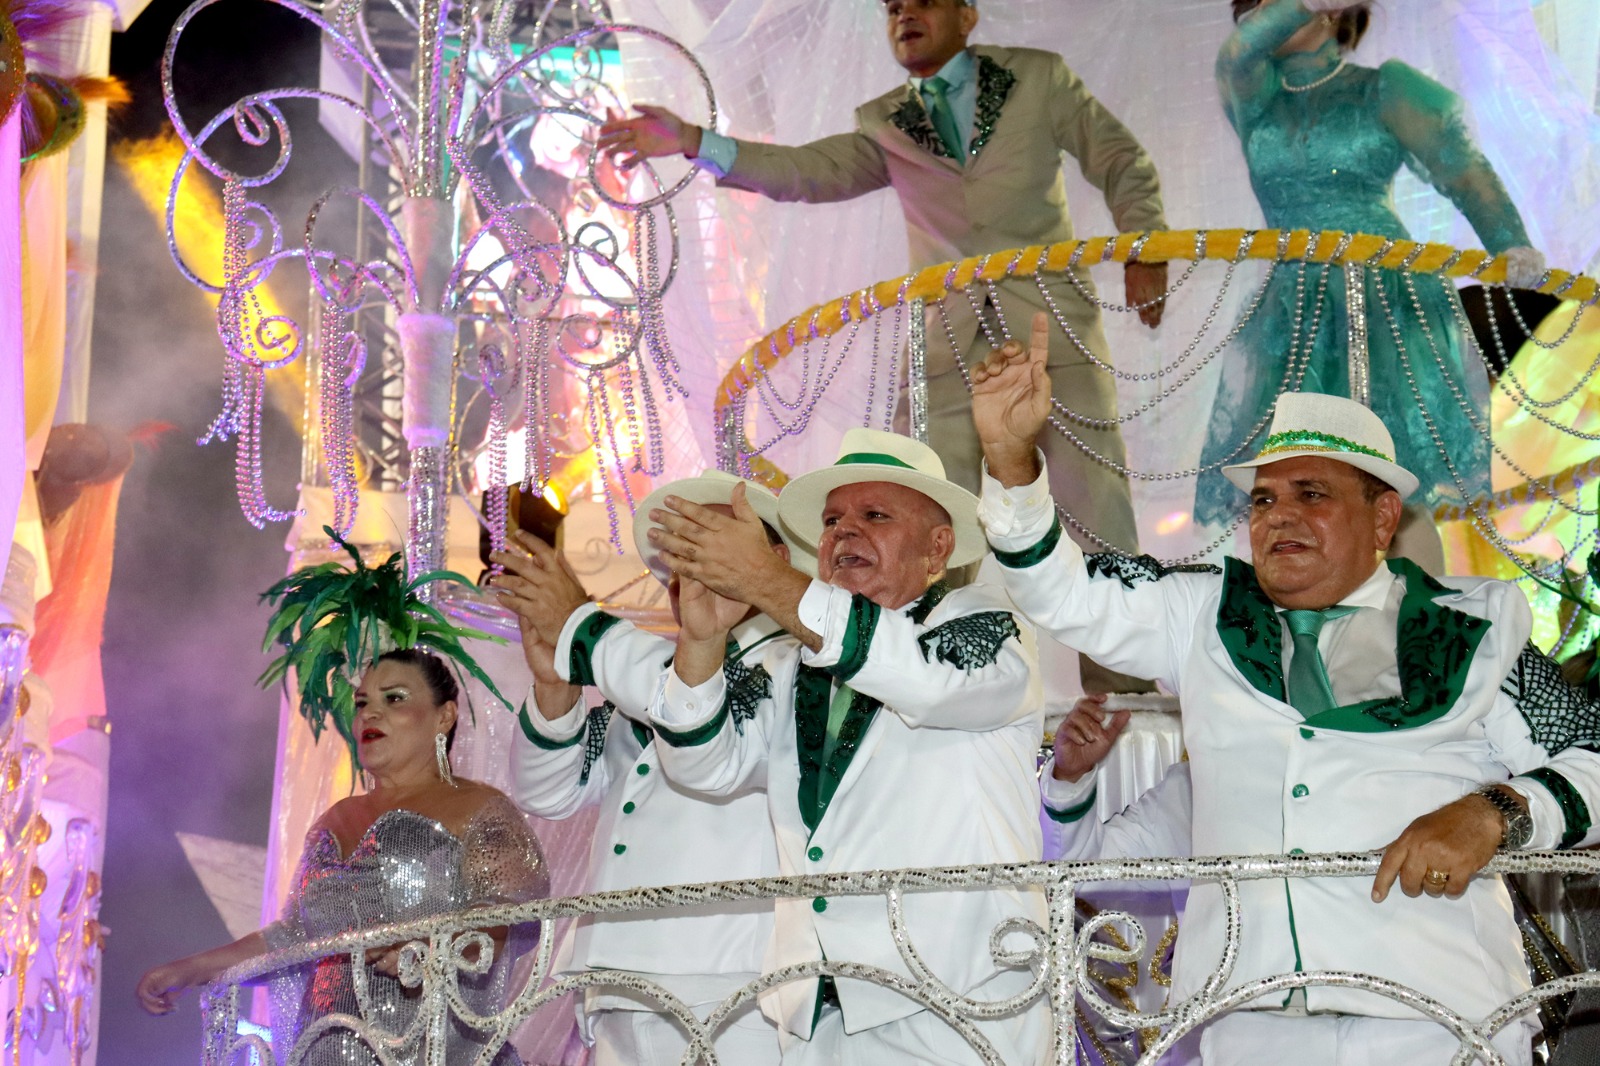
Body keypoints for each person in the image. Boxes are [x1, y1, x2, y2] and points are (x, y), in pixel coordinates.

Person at [971, 316, 1600, 1065]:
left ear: (1383, 516)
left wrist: (1495, 813)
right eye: (1264, 501)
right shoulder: (1201, 611)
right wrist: (1011, 457)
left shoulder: (1474, 627)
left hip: (1438, 1018)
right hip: (1249, 1021)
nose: (1279, 517)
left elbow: (1591, 756)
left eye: (1313, 494)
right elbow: (1060, 595)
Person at [598, 0, 1168, 570]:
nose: (904, 15)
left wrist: (1145, 247)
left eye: (922, 2)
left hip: (1053, 331)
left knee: (1102, 526)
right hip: (943, 354)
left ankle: (1122, 661)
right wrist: (696, 140)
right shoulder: (886, 120)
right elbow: (806, 171)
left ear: (967, 15)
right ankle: (936, 657)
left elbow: (1119, 159)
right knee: (923, 529)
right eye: (893, 7)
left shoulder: (1039, 77)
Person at [642, 428, 1047, 1065]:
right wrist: (701, 640)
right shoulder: (787, 661)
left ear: (938, 547)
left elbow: (919, 679)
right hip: (815, 1010)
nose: (844, 532)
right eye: (833, 520)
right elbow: (702, 766)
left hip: (962, 998)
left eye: (874, 515)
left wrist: (766, 581)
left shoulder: (988, 624)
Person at [1195, 0, 1547, 567]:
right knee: (1296, 480)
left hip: (1385, 304)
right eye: (1253, 4)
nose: (1259, 12)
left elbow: (1462, 169)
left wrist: (1510, 241)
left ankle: (1421, 635)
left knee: (1392, 481)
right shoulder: (1253, 94)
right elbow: (1238, 49)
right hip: (1295, 310)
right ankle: (1319, 638)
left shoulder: (1387, 89)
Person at [489, 471, 795, 1065]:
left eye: (709, 543)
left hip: (730, 989)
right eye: (680, 550)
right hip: (616, 984)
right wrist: (555, 682)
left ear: (770, 559)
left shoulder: (798, 668)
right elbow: (546, 792)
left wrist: (583, 627)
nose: (691, 563)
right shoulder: (646, 686)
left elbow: (699, 722)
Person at [136, 649, 549, 1064]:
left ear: (444, 717)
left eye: (395, 698)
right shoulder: (334, 819)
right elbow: (292, 939)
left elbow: (507, 915)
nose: (370, 714)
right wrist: (191, 969)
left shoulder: (478, 808)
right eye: (363, 703)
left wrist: (432, 950)